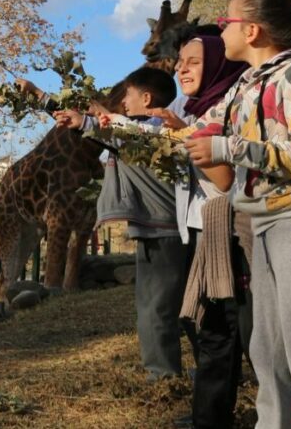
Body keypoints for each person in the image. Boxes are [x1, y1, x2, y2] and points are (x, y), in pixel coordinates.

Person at [182, 0, 291, 429]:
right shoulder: (245, 87)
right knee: (270, 353)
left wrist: (228, 147)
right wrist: (100, 122)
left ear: (251, 30)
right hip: (267, 227)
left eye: (225, 21)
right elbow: (194, 134)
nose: (221, 29)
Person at [54, 67, 191, 382]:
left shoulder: (148, 134)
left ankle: (163, 376)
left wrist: (86, 121)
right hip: (160, 231)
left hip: (163, 231)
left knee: (156, 308)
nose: (123, 103)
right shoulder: (146, 132)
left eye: (127, 96)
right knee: (172, 306)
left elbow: (118, 132)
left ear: (146, 98)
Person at [152, 34, 249, 429]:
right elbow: (140, 134)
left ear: (217, 64)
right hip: (202, 231)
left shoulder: (230, 108)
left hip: (230, 232)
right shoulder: (192, 109)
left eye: (192, 61)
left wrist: (185, 134)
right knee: (209, 329)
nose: (181, 68)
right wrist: (88, 121)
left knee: (229, 332)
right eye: (179, 63)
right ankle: (209, 417)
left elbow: (225, 180)